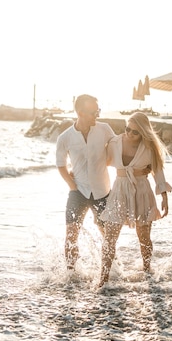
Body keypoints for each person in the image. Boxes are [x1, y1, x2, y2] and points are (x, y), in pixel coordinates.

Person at [97, 111, 171, 287]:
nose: (129, 134)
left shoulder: (149, 147)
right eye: (128, 129)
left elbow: (158, 172)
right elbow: (98, 162)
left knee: (144, 237)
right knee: (109, 238)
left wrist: (164, 197)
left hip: (142, 191)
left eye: (135, 132)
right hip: (119, 190)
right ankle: (103, 280)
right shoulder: (114, 142)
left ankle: (147, 271)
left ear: (143, 132)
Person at [56, 94, 115, 270]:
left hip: (103, 191)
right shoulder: (65, 137)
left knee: (107, 234)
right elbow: (60, 165)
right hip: (78, 192)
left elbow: (118, 149)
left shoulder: (105, 129)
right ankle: (70, 273)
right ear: (80, 112)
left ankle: (112, 270)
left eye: (98, 111)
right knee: (71, 234)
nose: (97, 115)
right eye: (93, 112)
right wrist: (72, 186)